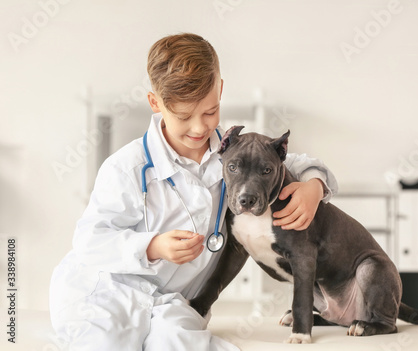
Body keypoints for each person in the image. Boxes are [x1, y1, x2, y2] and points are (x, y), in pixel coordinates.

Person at [49, 33, 338, 350]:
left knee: (184, 343)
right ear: (156, 103)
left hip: (173, 303)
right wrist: (153, 246)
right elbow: (90, 241)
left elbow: (292, 162)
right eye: (184, 116)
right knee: (105, 342)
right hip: (106, 291)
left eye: (210, 111)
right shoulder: (127, 168)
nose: (200, 128)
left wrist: (313, 185)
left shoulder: (234, 153)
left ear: (221, 91)